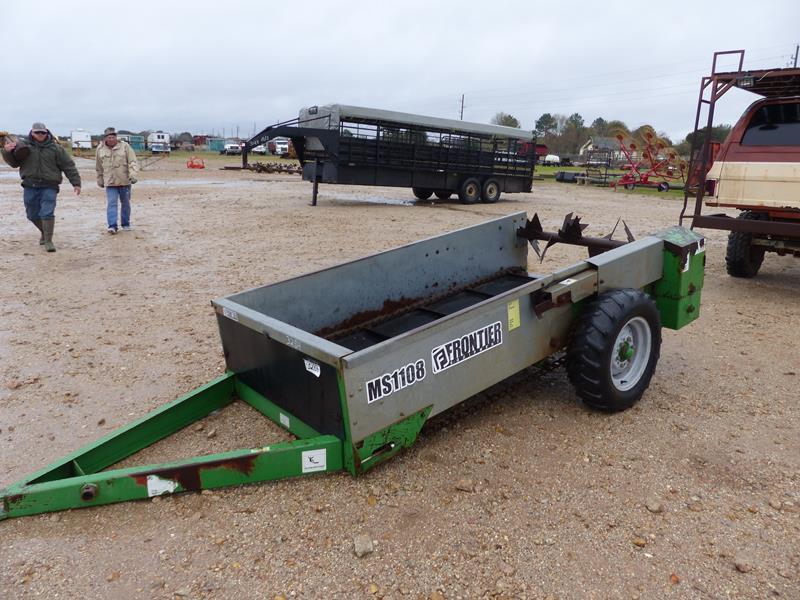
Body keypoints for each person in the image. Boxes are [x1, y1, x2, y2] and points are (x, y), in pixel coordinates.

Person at [1, 122, 81, 252]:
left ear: (46, 132)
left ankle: (48, 241)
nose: (40, 135)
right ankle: (44, 232)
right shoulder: (23, 146)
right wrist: (7, 152)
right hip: (30, 184)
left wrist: (76, 183)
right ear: (32, 132)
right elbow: (14, 164)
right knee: (31, 214)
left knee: (47, 212)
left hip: (50, 185)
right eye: (37, 132)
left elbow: (68, 165)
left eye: (42, 132)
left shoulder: (56, 148)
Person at [95, 127, 139, 234]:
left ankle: (125, 224)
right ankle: (112, 226)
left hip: (125, 181)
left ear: (116, 137)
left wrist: (133, 175)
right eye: (109, 137)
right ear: (105, 138)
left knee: (126, 203)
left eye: (113, 136)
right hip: (110, 182)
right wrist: (99, 179)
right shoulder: (100, 149)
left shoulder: (125, 146)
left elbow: (132, 162)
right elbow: (98, 166)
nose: (111, 139)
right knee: (112, 203)